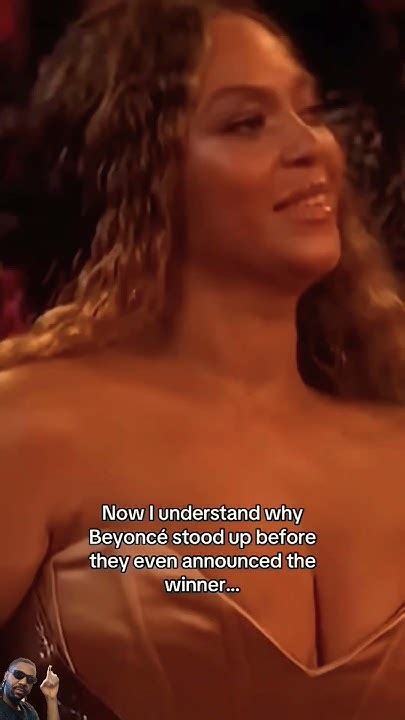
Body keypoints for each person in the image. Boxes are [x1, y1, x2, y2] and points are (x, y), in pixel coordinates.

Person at [0, 1, 404, 718]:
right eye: (246, 122)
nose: (309, 145)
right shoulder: (32, 425)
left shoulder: (393, 438)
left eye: (310, 111)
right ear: (143, 172)